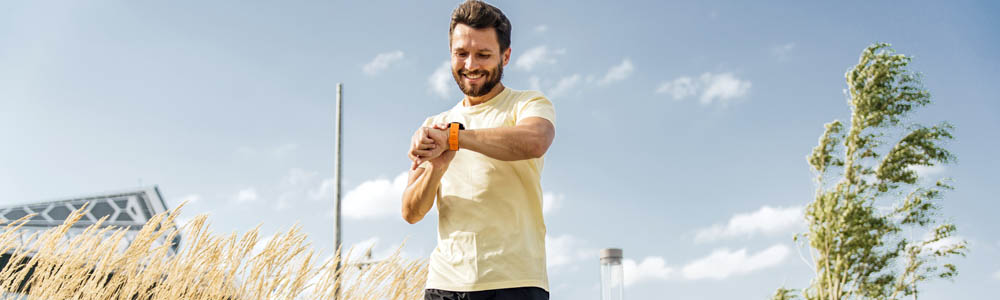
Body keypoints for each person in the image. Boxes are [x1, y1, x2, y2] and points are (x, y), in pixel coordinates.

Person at [400, 1, 556, 299]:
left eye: (483, 55)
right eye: (461, 54)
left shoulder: (528, 104)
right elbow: (411, 212)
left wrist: (454, 139)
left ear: (505, 56)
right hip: (444, 285)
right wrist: (437, 165)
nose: (470, 65)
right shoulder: (435, 125)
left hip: (514, 282)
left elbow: (536, 141)